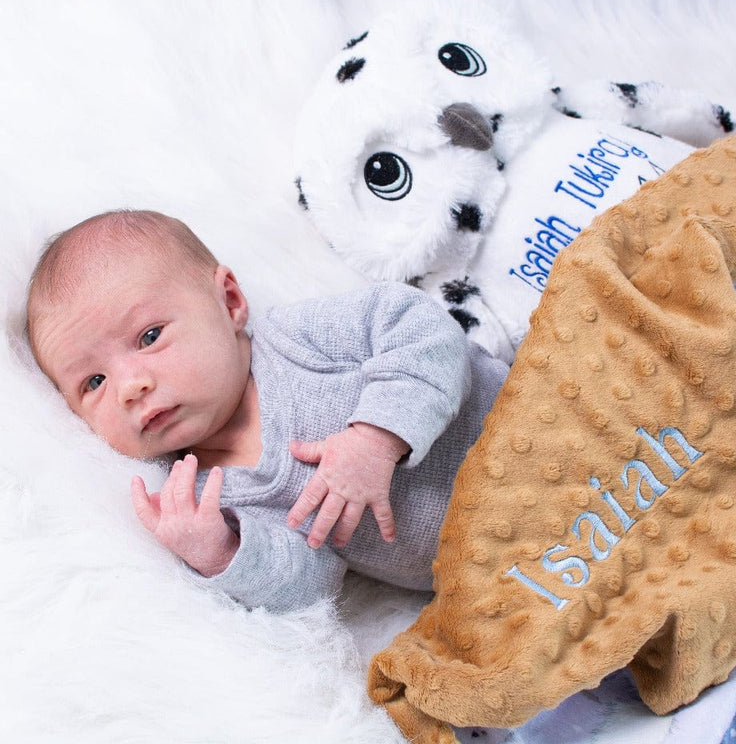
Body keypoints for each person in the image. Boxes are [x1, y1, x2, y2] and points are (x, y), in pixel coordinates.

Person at [26, 210, 509, 612]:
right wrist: (223, 553)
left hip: (529, 431)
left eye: (149, 337)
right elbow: (313, 584)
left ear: (230, 301)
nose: (130, 387)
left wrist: (377, 437)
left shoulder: (293, 341)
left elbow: (421, 328)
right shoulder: (209, 497)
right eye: (93, 382)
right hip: (512, 573)